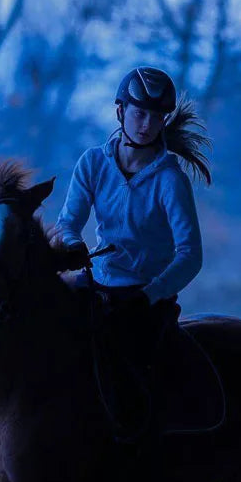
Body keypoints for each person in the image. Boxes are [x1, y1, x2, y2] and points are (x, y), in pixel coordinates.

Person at [49, 65, 212, 439]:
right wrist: (74, 245)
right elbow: (67, 222)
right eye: (140, 113)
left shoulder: (171, 180)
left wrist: (151, 294)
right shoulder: (92, 163)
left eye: (157, 116)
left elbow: (191, 254)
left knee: (128, 376)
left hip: (142, 300)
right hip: (96, 284)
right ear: (120, 110)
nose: (147, 124)